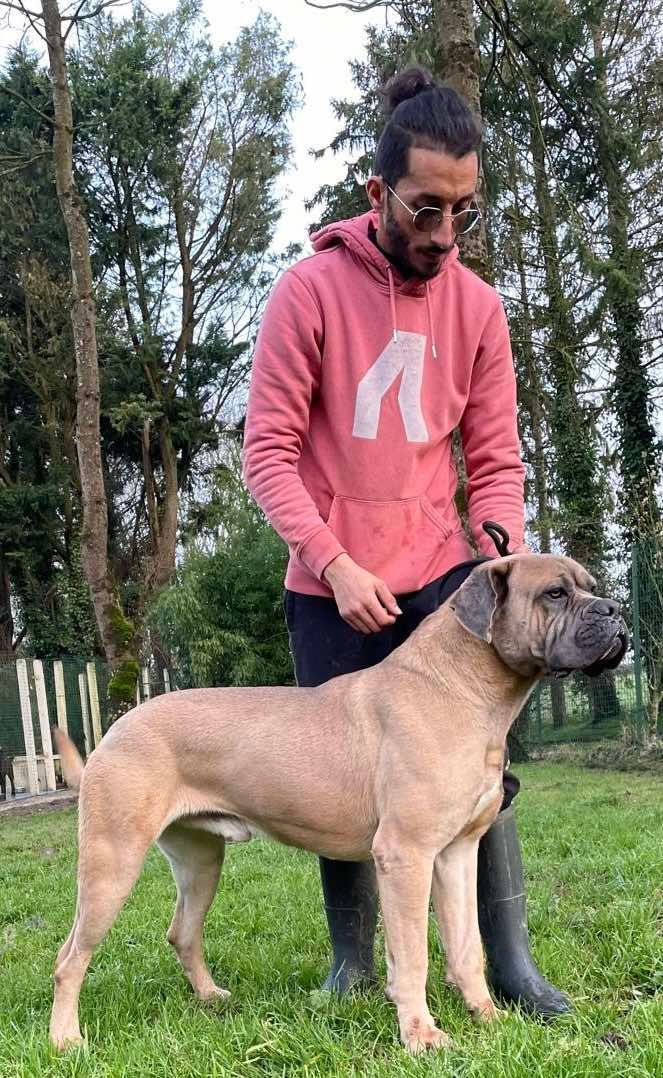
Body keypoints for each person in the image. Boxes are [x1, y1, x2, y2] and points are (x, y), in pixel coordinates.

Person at [242, 66, 570, 1017]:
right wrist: (332, 562)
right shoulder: (306, 293)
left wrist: (498, 548)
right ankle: (353, 963)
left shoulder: (480, 309)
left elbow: (495, 458)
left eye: (463, 210)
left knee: (474, 771)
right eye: (426, 208)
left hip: (443, 585)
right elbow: (266, 454)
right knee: (337, 778)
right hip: (330, 584)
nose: (444, 233)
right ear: (378, 192)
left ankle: (506, 965)